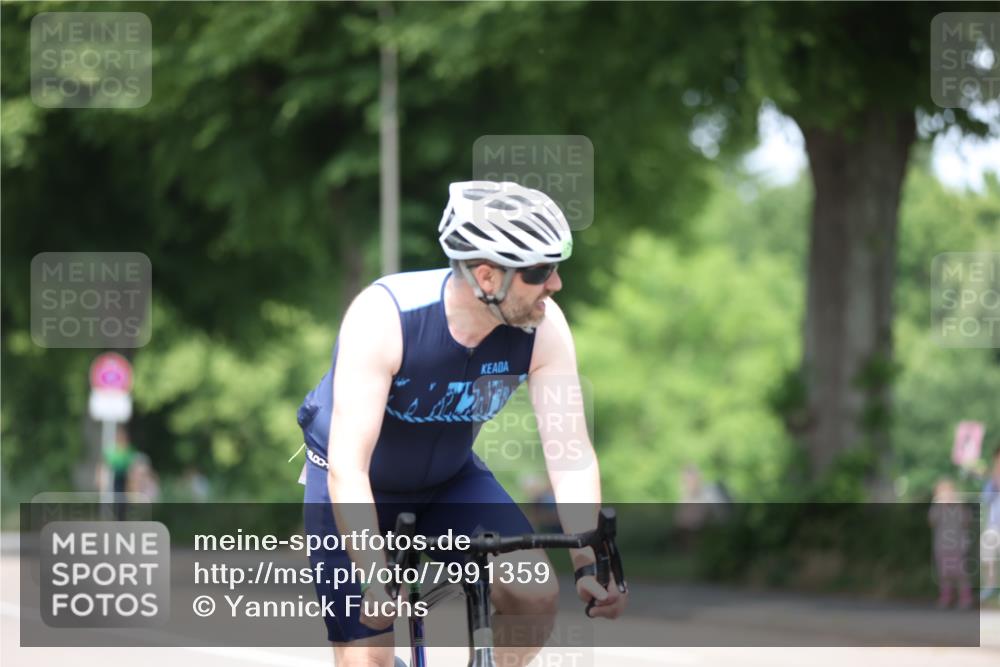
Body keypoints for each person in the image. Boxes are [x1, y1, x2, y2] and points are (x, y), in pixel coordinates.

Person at [297, 181, 625, 667]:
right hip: (353, 485)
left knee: (534, 592)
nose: (555, 284)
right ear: (487, 276)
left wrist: (587, 561)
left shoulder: (545, 327)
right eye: (540, 271)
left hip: (449, 481)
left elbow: (570, 454)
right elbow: (349, 467)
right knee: (367, 659)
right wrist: (374, 575)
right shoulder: (385, 317)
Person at [928, 478, 973, 609]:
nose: (946, 496)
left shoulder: (959, 507)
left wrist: (959, 506)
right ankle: (946, 597)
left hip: (958, 546)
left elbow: (966, 522)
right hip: (941, 546)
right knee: (944, 573)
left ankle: (965, 598)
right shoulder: (936, 508)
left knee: (961, 573)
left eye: (948, 493)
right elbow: (931, 522)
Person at [980, 445, 1000, 602]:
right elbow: (985, 499)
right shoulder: (991, 483)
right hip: (994, 526)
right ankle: (990, 585)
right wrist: (994, 484)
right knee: (987, 555)